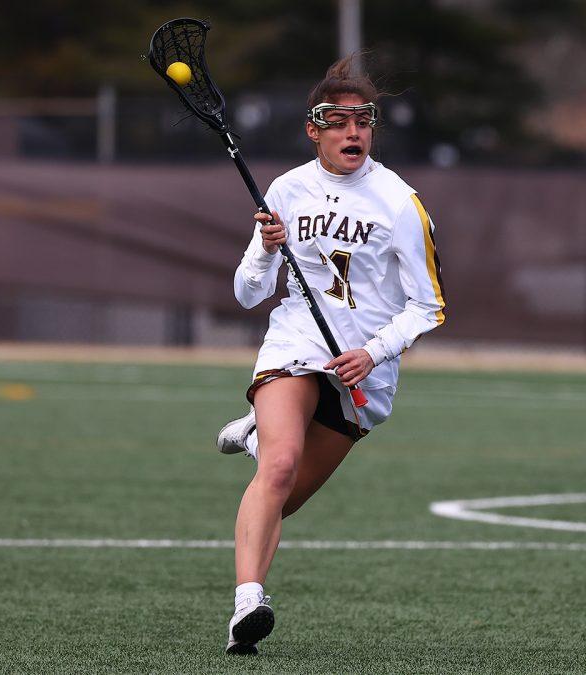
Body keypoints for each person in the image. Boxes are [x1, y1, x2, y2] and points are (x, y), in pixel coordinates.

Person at [216, 55, 446, 655]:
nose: (353, 132)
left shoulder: (399, 201)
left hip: (361, 372)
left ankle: (257, 434)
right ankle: (247, 604)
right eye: (338, 120)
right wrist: (267, 250)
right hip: (297, 343)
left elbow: (429, 308)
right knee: (280, 468)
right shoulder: (288, 190)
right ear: (313, 129)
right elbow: (247, 293)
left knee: (280, 500)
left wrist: (372, 353)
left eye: (363, 120)